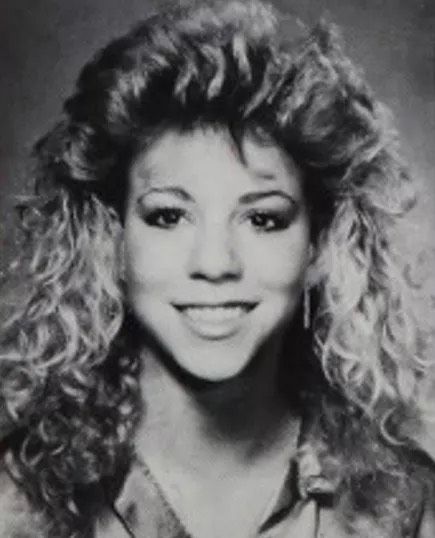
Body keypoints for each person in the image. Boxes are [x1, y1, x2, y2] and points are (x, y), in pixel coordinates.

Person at [0, 1, 434, 536]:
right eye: (169, 216)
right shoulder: (15, 505)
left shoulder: (405, 507)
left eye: (262, 219)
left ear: (319, 248)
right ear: (110, 240)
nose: (215, 263)